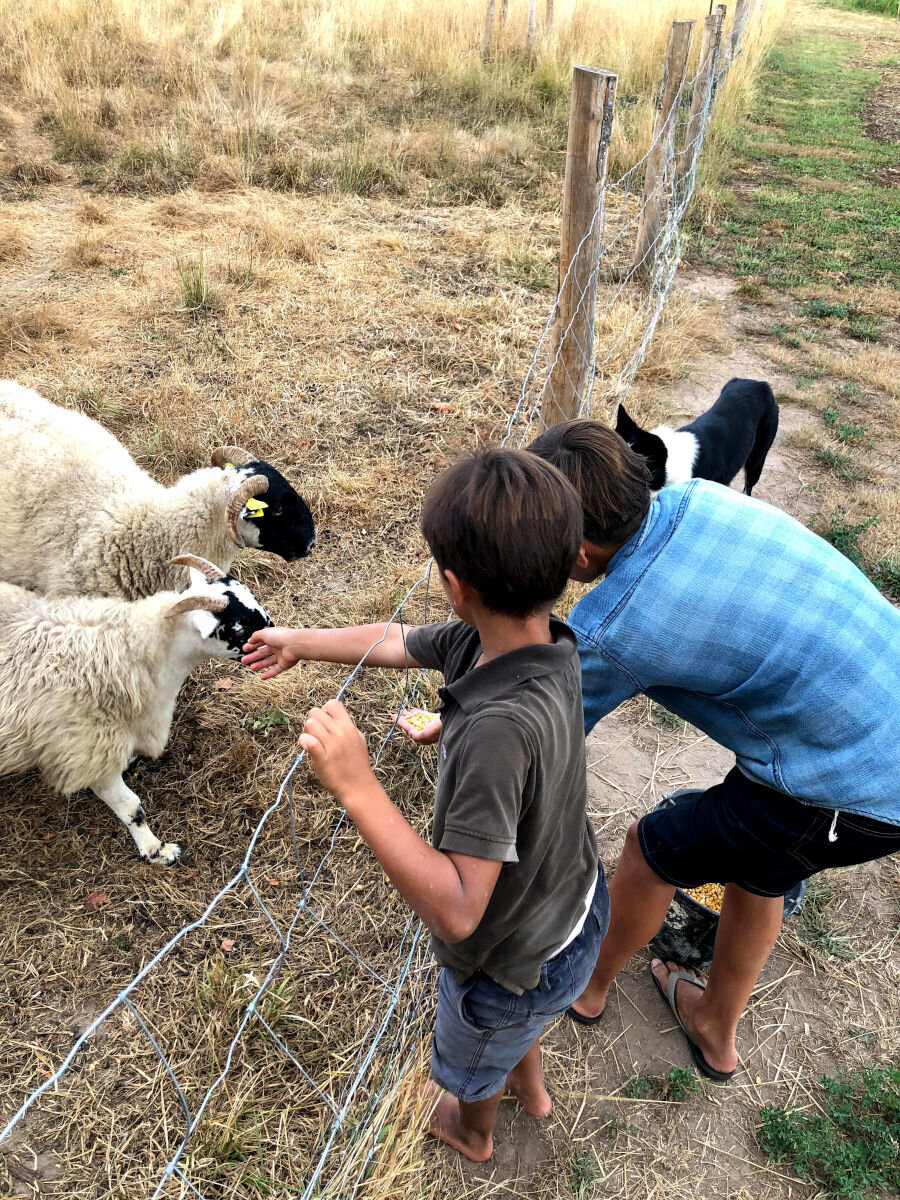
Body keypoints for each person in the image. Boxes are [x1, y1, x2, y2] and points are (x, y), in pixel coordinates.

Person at [242, 448, 609, 1161]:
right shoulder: (540, 643)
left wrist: (357, 784)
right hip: (570, 906)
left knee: (476, 1055)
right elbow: (399, 642)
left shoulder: (496, 730)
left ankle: (470, 1129)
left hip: (507, 960)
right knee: (523, 1023)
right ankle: (530, 1090)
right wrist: (301, 641)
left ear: (453, 584)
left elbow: (459, 907)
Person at [528, 419, 900, 1082]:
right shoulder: (699, 497)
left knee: (652, 848)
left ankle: (587, 989)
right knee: (762, 870)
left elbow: (543, 730)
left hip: (848, 786)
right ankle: (714, 1028)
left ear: (579, 556)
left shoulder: (615, 624)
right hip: (874, 728)